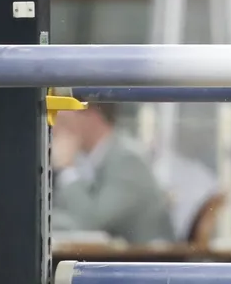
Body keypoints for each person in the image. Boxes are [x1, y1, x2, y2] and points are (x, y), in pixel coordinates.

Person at [50, 104, 176, 245]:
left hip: (145, 256)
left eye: (64, 122)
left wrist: (67, 170)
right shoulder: (88, 159)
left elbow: (92, 222)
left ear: (92, 116)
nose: (55, 130)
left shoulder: (127, 160)